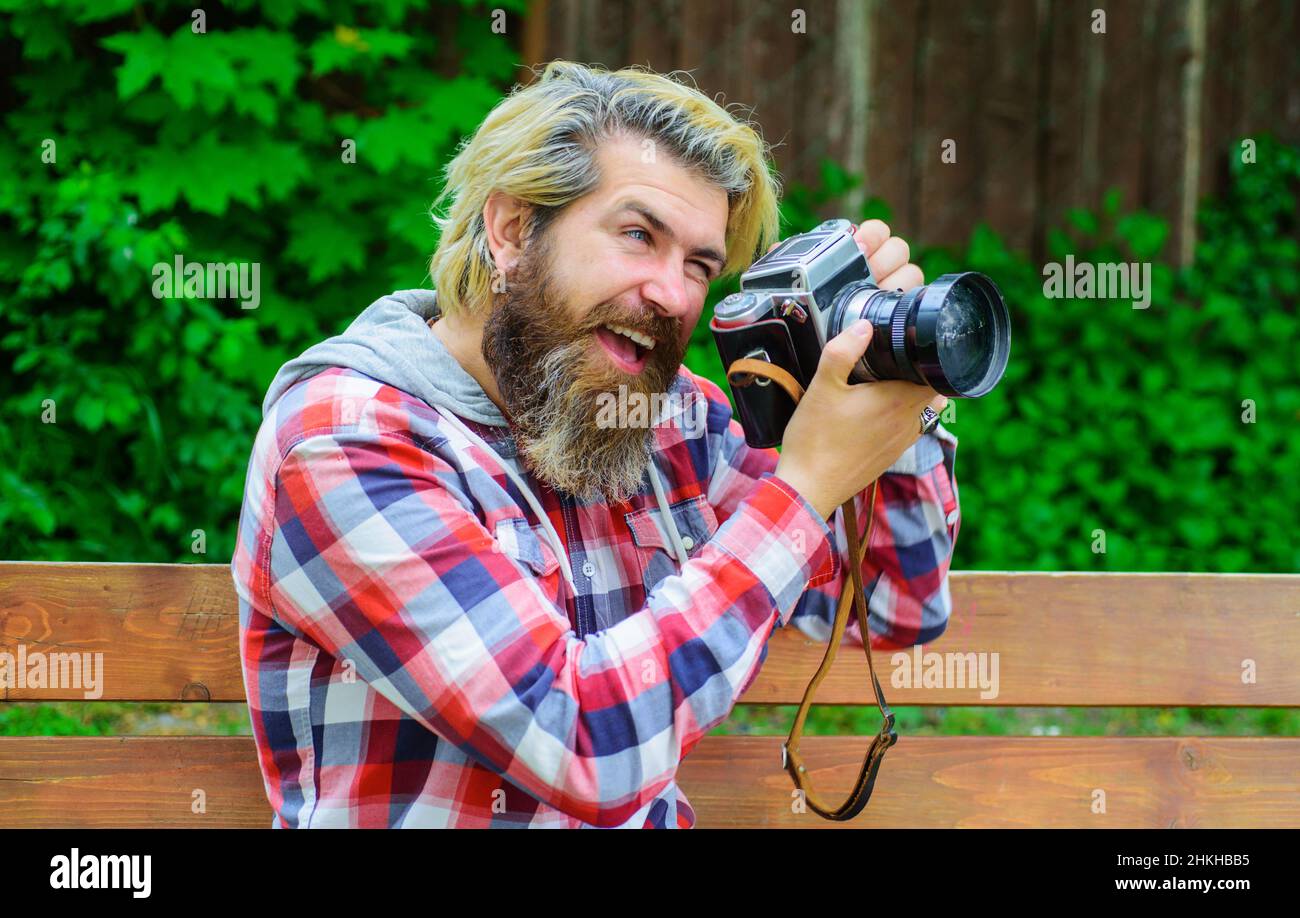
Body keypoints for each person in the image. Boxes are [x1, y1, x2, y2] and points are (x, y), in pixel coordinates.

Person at [230, 60, 960, 828]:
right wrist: (804, 488)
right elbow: (579, 741)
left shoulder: (668, 422)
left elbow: (893, 606)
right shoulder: (344, 439)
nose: (672, 295)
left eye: (699, 266)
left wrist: (881, 381)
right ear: (513, 230)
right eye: (639, 236)